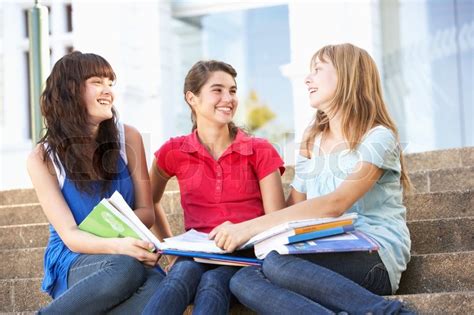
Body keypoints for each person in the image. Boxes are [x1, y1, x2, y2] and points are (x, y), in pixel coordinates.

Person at [209, 43, 414, 314]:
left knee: (276, 263)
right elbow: (291, 211)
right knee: (243, 279)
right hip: (323, 251)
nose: (308, 79)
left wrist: (248, 227)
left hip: (374, 257)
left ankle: (390, 312)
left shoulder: (378, 137)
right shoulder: (312, 142)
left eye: (317, 70)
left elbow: (336, 203)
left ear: (347, 76)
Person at [142, 60, 286, 315]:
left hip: (246, 256)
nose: (228, 98)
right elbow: (149, 201)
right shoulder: (173, 151)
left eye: (232, 90)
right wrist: (170, 249)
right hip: (196, 253)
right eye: (217, 90)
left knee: (211, 283)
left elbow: (276, 220)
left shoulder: (259, 150)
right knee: (179, 274)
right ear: (192, 98)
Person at [27, 51, 164, 314]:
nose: (108, 91)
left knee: (163, 288)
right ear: (70, 90)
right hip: (77, 258)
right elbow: (70, 235)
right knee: (123, 267)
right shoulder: (43, 158)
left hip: (130, 247)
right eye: (97, 82)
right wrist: (119, 246)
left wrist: (128, 244)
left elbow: (147, 211)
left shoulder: (129, 138)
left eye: (110, 83)